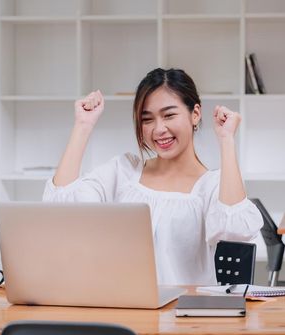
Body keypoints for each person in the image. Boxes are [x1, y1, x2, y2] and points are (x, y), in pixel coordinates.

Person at [43, 68, 263, 285]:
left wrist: (226, 139)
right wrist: (83, 125)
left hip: (184, 315)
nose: (158, 129)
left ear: (195, 114)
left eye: (169, 115)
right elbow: (60, 208)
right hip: (124, 310)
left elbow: (236, 234)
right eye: (147, 119)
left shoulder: (212, 185)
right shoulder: (124, 173)